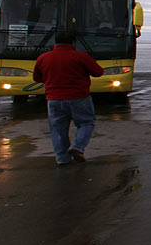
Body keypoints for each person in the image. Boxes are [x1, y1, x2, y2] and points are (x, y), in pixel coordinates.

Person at [32, 32, 104, 165]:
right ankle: (78, 146)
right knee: (86, 122)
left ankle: (62, 158)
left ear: (55, 42)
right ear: (73, 42)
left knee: (57, 128)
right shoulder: (81, 57)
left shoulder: (43, 58)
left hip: (53, 99)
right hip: (79, 97)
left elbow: (37, 78)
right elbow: (98, 72)